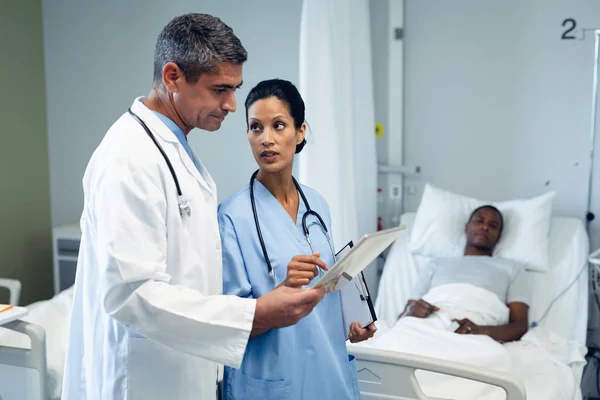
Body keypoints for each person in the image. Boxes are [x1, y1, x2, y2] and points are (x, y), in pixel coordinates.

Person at [61, 14, 326, 400]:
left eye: (234, 89)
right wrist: (256, 314)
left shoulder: (173, 149)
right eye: (220, 89)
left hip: (184, 370)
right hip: (140, 381)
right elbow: (132, 294)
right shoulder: (127, 158)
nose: (233, 105)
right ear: (172, 77)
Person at [218, 79, 377, 400]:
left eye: (278, 126)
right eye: (255, 127)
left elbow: (326, 292)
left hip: (329, 373)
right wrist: (280, 292)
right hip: (271, 381)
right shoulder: (232, 216)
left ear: (300, 131)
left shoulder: (317, 205)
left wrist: (352, 322)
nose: (266, 139)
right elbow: (228, 323)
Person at [400, 205, 530, 342]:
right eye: (479, 221)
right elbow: (406, 313)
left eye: (493, 225)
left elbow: (520, 326)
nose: (484, 227)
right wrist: (413, 311)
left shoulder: (513, 268)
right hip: (428, 325)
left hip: (479, 330)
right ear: (466, 227)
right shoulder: (436, 264)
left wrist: (481, 331)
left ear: (499, 237)